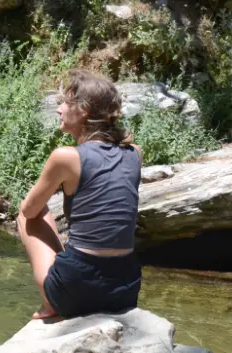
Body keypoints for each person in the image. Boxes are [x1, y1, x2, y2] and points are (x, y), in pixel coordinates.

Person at [17, 69, 142, 321]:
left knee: (29, 215)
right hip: (125, 290)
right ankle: (61, 285)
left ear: (83, 110)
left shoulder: (66, 157)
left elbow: (29, 210)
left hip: (78, 290)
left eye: (65, 102)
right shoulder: (135, 153)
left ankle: (50, 303)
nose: (59, 109)